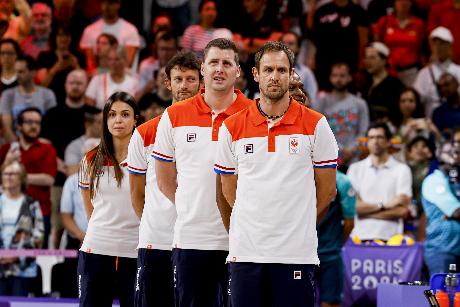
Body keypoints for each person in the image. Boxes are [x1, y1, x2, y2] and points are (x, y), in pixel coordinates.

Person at [214, 41, 338, 306]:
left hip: (295, 254)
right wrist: (256, 219)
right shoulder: (232, 127)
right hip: (246, 253)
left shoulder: (316, 124)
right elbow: (227, 190)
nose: (274, 76)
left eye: (282, 70)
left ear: (291, 74)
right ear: (256, 74)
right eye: (268, 69)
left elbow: (327, 192)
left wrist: (296, 223)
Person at [153, 38, 252, 307]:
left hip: (245, 240)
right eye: (213, 63)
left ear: (238, 71)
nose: (219, 69)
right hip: (191, 238)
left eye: (227, 63)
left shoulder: (255, 114)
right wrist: (192, 206)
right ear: (203, 69)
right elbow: (164, 181)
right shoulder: (173, 115)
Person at [128, 51, 202, 307]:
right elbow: (137, 195)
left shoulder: (216, 129)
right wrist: (156, 224)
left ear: (201, 82)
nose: (184, 86)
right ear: (167, 82)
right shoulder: (145, 132)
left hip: (198, 240)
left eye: (191, 79)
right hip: (156, 240)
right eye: (178, 79)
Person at [77, 91, 140, 307]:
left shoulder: (148, 158)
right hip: (96, 249)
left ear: (135, 119)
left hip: (136, 249)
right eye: (112, 115)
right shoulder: (90, 160)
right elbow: (89, 209)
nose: (118, 120)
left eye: (125, 114)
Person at [0, 107, 57, 249]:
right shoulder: (7, 149)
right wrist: (7, 162)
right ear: (19, 126)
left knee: (36, 258)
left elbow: (48, 179)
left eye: (37, 123)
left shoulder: (47, 149)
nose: (34, 126)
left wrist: (17, 175)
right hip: (8, 212)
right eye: (29, 122)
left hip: (39, 212)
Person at [347, 122, 412, 241]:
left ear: (388, 141)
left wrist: (366, 212)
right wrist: (385, 205)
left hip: (392, 239)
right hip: (359, 237)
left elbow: (402, 211)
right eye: (371, 137)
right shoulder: (355, 169)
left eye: (380, 137)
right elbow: (353, 207)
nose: (375, 141)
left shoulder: (402, 170)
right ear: (367, 141)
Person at [314, 62, 369, 169]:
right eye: (335, 76)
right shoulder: (322, 101)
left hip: (354, 159)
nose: (338, 79)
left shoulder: (360, 103)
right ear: (330, 78)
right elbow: (318, 130)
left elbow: (363, 131)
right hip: (329, 158)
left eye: (342, 76)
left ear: (350, 78)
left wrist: (351, 150)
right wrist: (340, 149)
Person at [0, 161, 43, 296]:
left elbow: (39, 236)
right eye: (5, 173)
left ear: (22, 178)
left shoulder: (32, 205)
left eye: (13, 174)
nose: (8, 177)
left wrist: (16, 256)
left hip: (22, 269)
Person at [422, 127, 460, 275]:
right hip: (442, 250)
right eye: (452, 153)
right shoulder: (434, 180)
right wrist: (453, 213)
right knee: (441, 297)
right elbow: (457, 212)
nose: (455, 157)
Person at [317, 171, 355, 307]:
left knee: (330, 302)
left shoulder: (342, 182)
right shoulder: (298, 178)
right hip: (301, 256)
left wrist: (336, 244)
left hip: (329, 255)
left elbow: (349, 223)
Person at [312, 0, 369, 89]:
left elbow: (363, 41)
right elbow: (314, 37)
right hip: (323, 64)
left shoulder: (358, 11)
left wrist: (361, 67)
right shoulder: (322, 10)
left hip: (349, 64)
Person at [0, 55, 56, 143]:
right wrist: (19, 148)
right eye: (16, 72)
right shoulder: (8, 95)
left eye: (21, 72)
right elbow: (6, 127)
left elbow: (52, 126)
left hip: (41, 145)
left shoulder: (47, 94)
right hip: (14, 145)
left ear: (33, 72)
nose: (17, 75)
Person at [373, 0, 425, 86]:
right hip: (388, 71)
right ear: (394, 2)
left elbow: (421, 49)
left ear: (411, 3)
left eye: (407, 0)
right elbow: (376, 46)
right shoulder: (385, 21)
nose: (403, 2)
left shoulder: (419, 24)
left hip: (411, 71)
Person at [79, 0, 141, 72]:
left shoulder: (130, 29)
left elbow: (127, 62)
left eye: (110, 3)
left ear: (118, 4)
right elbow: (90, 64)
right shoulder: (89, 30)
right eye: (104, 3)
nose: (107, 7)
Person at [413, 27, 460, 117]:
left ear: (450, 46)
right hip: (431, 120)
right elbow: (417, 100)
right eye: (435, 44)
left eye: (442, 44)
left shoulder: (458, 70)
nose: (438, 47)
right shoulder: (424, 73)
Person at [35, 26, 85, 103]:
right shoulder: (44, 56)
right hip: (50, 99)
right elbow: (42, 86)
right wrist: (55, 69)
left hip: (74, 100)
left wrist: (76, 66)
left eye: (67, 35)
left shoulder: (79, 56)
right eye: (60, 35)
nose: (64, 38)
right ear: (54, 37)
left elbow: (85, 84)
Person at [359, 42, 404, 123]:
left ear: (384, 60)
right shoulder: (365, 85)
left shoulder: (395, 85)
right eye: (366, 58)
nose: (368, 62)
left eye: (372, 58)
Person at [136, 31, 178, 101]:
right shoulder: (146, 67)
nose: (165, 53)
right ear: (156, 50)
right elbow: (136, 99)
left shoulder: (181, 70)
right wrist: (146, 89)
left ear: (175, 50)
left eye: (169, 49)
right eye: (162, 49)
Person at [281, 31, 318, 102]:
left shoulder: (306, 72)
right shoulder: (268, 69)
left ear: (298, 48)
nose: (286, 46)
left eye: (291, 44)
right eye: (283, 43)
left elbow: (312, 99)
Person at [432, 72, 460, 138]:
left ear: (457, 84)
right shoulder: (438, 112)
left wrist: (450, 131)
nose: (443, 89)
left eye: (447, 85)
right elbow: (437, 137)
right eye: (440, 87)